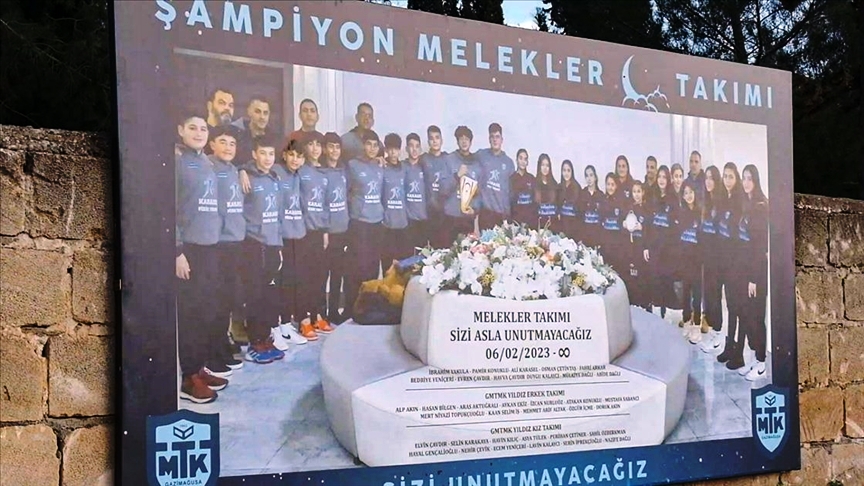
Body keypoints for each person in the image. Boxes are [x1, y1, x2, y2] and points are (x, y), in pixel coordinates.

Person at [175, 111, 228, 403]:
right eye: (192, 127)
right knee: (191, 314)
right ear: (180, 130)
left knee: (207, 311)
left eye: (203, 128)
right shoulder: (176, 162)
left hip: (211, 247)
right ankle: (188, 378)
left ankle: (199, 367)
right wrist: (177, 251)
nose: (198, 133)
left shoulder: (207, 162)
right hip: (190, 249)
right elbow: (169, 208)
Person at [240, 134, 286, 365]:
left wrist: (278, 244)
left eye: (271, 153)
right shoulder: (246, 176)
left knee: (269, 295)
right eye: (263, 153)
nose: (267, 158)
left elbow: (277, 215)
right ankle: (254, 343)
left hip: (272, 244)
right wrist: (241, 170)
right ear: (254, 154)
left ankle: (266, 338)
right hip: (253, 244)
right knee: (255, 295)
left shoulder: (275, 178)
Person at [207, 124, 245, 373]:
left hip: (234, 242)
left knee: (228, 300)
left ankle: (222, 344)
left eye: (232, 144)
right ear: (212, 144)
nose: (228, 147)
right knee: (216, 301)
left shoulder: (233, 170)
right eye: (223, 142)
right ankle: (212, 352)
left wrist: (242, 170)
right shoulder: (208, 167)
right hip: (217, 243)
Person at [271, 138, 310, 345]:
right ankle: (275, 327)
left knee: (291, 281)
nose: (295, 159)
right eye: (292, 155)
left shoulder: (299, 175)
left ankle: (286, 324)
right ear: (284, 155)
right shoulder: (276, 171)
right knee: (278, 283)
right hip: (281, 237)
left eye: (299, 156)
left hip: (297, 235)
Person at [296, 131, 335, 339]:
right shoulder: (299, 170)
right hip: (303, 232)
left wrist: (326, 231)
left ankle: (317, 315)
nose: (315, 149)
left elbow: (326, 204)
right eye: (311, 144)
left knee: (319, 275)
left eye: (318, 145)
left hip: (319, 231)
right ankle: (303, 319)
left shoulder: (324, 173)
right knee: (304, 276)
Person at [344, 130, 385, 319]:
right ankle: (351, 307)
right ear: (363, 146)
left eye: (375, 145)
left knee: (372, 266)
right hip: (359, 223)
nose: (372, 148)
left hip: (377, 222)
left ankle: (367, 307)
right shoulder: (352, 165)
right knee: (357, 266)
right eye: (369, 144)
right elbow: (345, 192)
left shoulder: (380, 166)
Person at [736, 165, 769, 381]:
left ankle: (761, 362)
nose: (746, 182)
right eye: (744, 178)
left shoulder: (760, 207)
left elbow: (759, 247)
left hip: (755, 274)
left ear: (756, 181)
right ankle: (754, 358)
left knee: (757, 317)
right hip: (744, 270)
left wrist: (753, 279)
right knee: (747, 315)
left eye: (750, 178)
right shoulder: (746, 204)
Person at [715, 162, 744, 367]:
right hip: (724, 261)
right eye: (725, 176)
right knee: (730, 307)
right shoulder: (723, 198)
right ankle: (729, 345)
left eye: (731, 176)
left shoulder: (740, 201)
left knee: (738, 307)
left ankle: (739, 353)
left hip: (737, 263)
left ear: (737, 178)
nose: (727, 180)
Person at [321, 132, 350, 323]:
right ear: (325, 149)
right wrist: (324, 230)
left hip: (343, 231)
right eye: (331, 147)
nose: (334, 151)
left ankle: (333, 311)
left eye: (337, 147)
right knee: (323, 274)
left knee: (338, 274)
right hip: (326, 232)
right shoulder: (320, 172)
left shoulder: (344, 170)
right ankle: (321, 312)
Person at [440, 126, 482, 243]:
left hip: (467, 219)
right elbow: (443, 189)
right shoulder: (448, 160)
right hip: (450, 217)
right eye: (461, 139)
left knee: (467, 252)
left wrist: (474, 209)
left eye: (466, 139)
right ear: (457, 141)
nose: (464, 142)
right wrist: (457, 176)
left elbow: (479, 193)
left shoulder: (476, 164)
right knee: (448, 251)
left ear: (470, 142)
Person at [697, 166, 723, 348]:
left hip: (717, 257)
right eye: (706, 178)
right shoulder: (705, 202)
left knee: (715, 295)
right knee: (708, 293)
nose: (708, 181)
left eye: (712, 178)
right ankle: (711, 326)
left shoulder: (720, 203)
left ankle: (718, 331)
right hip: (705, 256)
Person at [645, 165, 675, 319]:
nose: (662, 180)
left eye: (664, 177)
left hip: (668, 251)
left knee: (666, 282)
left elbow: (675, 227)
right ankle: (656, 315)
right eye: (659, 177)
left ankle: (667, 316)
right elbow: (648, 224)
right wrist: (646, 246)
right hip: (654, 248)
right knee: (655, 281)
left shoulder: (673, 198)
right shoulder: (652, 197)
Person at [674, 181, 703, 336]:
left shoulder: (701, 212)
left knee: (697, 294)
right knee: (685, 292)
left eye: (691, 192)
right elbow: (677, 238)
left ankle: (696, 325)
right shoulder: (680, 213)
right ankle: (686, 321)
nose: (689, 195)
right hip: (684, 260)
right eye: (685, 193)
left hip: (697, 261)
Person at [477, 123, 514, 230]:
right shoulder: (481, 155)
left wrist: (508, 214)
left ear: (502, 140)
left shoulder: (508, 163)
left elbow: (510, 192)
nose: (495, 140)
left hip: (502, 214)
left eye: (497, 137)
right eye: (492, 137)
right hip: (486, 212)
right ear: (489, 139)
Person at [382, 133, 410, 264]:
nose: (393, 152)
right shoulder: (381, 167)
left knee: (403, 263)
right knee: (387, 263)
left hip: (403, 223)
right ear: (386, 150)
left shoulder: (404, 168)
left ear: (400, 150)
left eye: (396, 149)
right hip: (387, 224)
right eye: (390, 149)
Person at [420, 125, 449, 248]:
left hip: (445, 212)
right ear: (428, 142)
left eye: (437, 137)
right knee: (426, 250)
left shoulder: (448, 158)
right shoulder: (423, 159)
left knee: (443, 249)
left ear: (441, 140)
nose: (434, 141)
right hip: (428, 212)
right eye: (431, 138)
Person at [623, 181, 650, 308]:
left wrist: (642, 227)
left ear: (643, 192)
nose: (636, 194)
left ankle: (644, 303)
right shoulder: (629, 209)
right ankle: (633, 302)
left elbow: (650, 229)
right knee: (631, 275)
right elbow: (623, 224)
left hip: (641, 247)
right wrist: (624, 224)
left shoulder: (646, 209)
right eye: (634, 192)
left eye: (639, 191)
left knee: (642, 276)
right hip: (631, 247)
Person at [403, 132, 429, 253]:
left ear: (420, 149)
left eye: (417, 146)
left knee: (422, 257)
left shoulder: (425, 167)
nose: (414, 149)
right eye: (411, 146)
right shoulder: (401, 166)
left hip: (423, 220)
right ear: (406, 148)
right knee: (407, 256)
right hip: (407, 220)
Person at [599, 172, 627, 273]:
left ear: (616, 186)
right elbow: (601, 222)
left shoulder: (622, 202)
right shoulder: (603, 200)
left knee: (617, 271)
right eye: (608, 184)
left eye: (612, 184)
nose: (610, 187)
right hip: (606, 243)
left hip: (617, 244)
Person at [233, 95, 273, 164]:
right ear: (249, 112)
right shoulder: (236, 135)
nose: (262, 117)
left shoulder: (274, 138)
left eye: (265, 113)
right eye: (258, 112)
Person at [509, 148, 536, 227]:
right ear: (516, 160)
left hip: (530, 223)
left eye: (525, 159)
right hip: (515, 222)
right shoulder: (511, 179)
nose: (523, 161)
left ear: (527, 162)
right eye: (520, 158)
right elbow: (509, 202)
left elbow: (535, 202)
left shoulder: (531, 178)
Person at [578, 165, 603, 248]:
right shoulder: (582, 194)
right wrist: (580, 238)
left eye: (591, 175)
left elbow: (602, 218)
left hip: (597, 238)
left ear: (595, 177)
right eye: (587, 176)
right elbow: (579, 217)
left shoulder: (601, 195)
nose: (589, 178)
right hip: (584, 238)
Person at [558, 159, 582, 239]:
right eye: (564, 170)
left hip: (574, 228)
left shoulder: (577, 187)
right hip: (562, 228)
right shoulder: (559, 187)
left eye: (568, 170)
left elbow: (580, 211)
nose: (566, 173)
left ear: (572, 172)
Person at [535, 153, 557, 231]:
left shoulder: (554, 184)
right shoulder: (534, 183)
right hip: (538, 226)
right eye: (543, 165)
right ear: (539, 166)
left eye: (547, 165)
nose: (545, 168)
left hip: (553, 225)